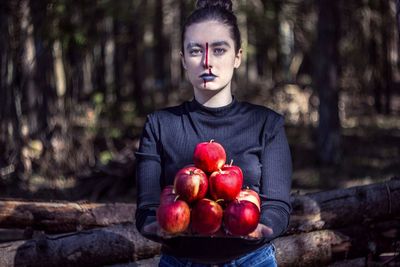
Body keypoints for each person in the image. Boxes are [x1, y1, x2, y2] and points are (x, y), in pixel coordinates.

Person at [135, 0, 292, 266]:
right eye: (196, 51)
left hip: (251, 260)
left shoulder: (267, 124)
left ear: (238, 56)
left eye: (219, 50)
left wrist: (259, 228)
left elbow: (278, 207)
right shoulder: (159, 125)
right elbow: (147, 210)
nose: (207, 62)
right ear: (183, 60)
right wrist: (158, 227)